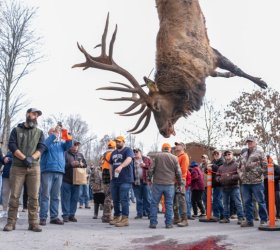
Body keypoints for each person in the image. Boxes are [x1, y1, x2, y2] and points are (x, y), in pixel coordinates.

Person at [3, 108, 46, 232]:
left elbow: (42, 147)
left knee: (34, 196)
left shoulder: (39, 132)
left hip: (34, 167)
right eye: (34, 114)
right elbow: (12, 145)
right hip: (17, 167)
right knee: (15, 195)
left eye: (37, 115)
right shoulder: (16, 130)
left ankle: (33, 223)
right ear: (27, 114)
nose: (35, 117)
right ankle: (11, 222)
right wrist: (23, 158)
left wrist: (32, 158)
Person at [39, 125, 72, 226]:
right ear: (49, 134)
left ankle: (54, 217)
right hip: (47, 171)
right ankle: (43, 217)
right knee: (45, 195)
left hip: (59, 172)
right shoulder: (45, 143)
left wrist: (65, 132)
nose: (56, 133)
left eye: (56, 132)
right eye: (53, 132)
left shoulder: (61, 144)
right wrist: (54, 135)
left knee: (56, 196)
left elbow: (69, 144)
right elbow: (44, 146)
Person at [148, 143, 182, 229]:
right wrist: (179, 182)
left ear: (162, 149)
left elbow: (151, 169)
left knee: (154, 203)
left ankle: (153, 223)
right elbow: (178, 172)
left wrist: (149, 178)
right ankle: (168, 223)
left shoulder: (157, 156)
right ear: (170, 149)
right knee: (169, 204)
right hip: (169, 184)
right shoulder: (174, 158)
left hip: (157, 184)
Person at [238, 135, 268, 227]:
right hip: (245, 182)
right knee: (247, 202)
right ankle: (249, 221)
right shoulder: (243, 153)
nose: (249, 143)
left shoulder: (260, 152)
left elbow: (265, 166)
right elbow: (239, 166)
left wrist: (258, 173)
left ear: (255, 142)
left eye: (251, 141)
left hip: (257, 181)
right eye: (248, 142)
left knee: (260, 201)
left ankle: (264, 220)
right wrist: (241, 175)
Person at [109, 136, 134, 227]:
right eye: (116, 142)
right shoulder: (113, 153)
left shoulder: (128, 150)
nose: (117, 143)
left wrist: (121, 166)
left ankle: (125, 219)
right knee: (115, 199)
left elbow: (129, 159)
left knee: (124, 199)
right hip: (115, 180)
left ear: (123, 142)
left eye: (119, 142)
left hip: (126, 179)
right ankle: (116, 216)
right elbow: (111, 164)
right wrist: (111, 176)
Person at [61, 141, 87, 222]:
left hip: (77, 180)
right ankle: (65, 215)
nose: (76, 147)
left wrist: (82, 165)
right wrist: (71, 164)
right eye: (74, 145)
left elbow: (86, 165)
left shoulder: (80, 155)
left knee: (75, 199)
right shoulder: (65, 154)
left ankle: (72, 215)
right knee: (65, 198)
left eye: (77, 145)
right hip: (66, 180)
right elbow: (61, 166)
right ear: (70, 146)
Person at [216, 150, 244, 224]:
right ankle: (226, 218)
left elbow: (240, 175)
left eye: (229, 154)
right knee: (225, 203)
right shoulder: (221, 167)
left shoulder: (237, 164)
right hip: (224, 187)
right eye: (226, 155)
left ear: (232, 155)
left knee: (238, 202)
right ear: (224, 156)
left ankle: (241, 217)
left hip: (234, 187)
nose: (227, 156)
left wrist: (231, 177)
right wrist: (219, 179)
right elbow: (217, 176)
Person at [132, 148, 152, 219]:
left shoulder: (146, 159)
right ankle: (139, 214)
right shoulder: (132, 160)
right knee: (138, 199)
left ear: (140, 152)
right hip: (136, 182)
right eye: (134, 152)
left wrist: (145, 166)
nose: (135, 153)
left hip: (145, 181)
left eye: (136, 151)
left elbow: (152, 168)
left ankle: (149, 213)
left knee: (147, 198)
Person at [173, 142, 189, 227]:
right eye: (176, 145)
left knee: (181, 199)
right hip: (174, 181)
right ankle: (176, 218)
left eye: (178, 145)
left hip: (180, 180)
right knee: (174, 199)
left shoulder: (184, 156)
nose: (176, 146)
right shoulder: (176, 157)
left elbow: (183, 170)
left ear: (183, 147)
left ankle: (184, 219)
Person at [100, 140, 116, 223]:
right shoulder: (113, 154)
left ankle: (106, 215)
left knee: (107, 195)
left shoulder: (104, 154)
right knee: (110, 196)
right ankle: (107, 216)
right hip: (110, 173)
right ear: (114, 146)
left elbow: (100, 165)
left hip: (104, 174)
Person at [207, 150, 224, 220]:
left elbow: (220, 169)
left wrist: (212, 166)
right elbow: (207, 169)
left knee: (218, 199)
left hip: (220, 183)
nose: (216, 155)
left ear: (221, 154)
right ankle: (216, 214)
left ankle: (222, 214)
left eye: (217, 153)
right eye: (214, 154)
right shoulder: (213, 161)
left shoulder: (222, 161)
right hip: (214, 184)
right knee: (215, 199)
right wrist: (208, 168)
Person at [0, 151, 13, 218]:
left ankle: (14, 211)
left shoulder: (21, 149)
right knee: (5, 193)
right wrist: (3, 159)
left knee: (14, 194)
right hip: (6, 174)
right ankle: (4, 210)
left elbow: (22, 160)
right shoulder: (8, 151)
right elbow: (2, 161)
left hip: (16, 175)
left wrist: (9, 159)